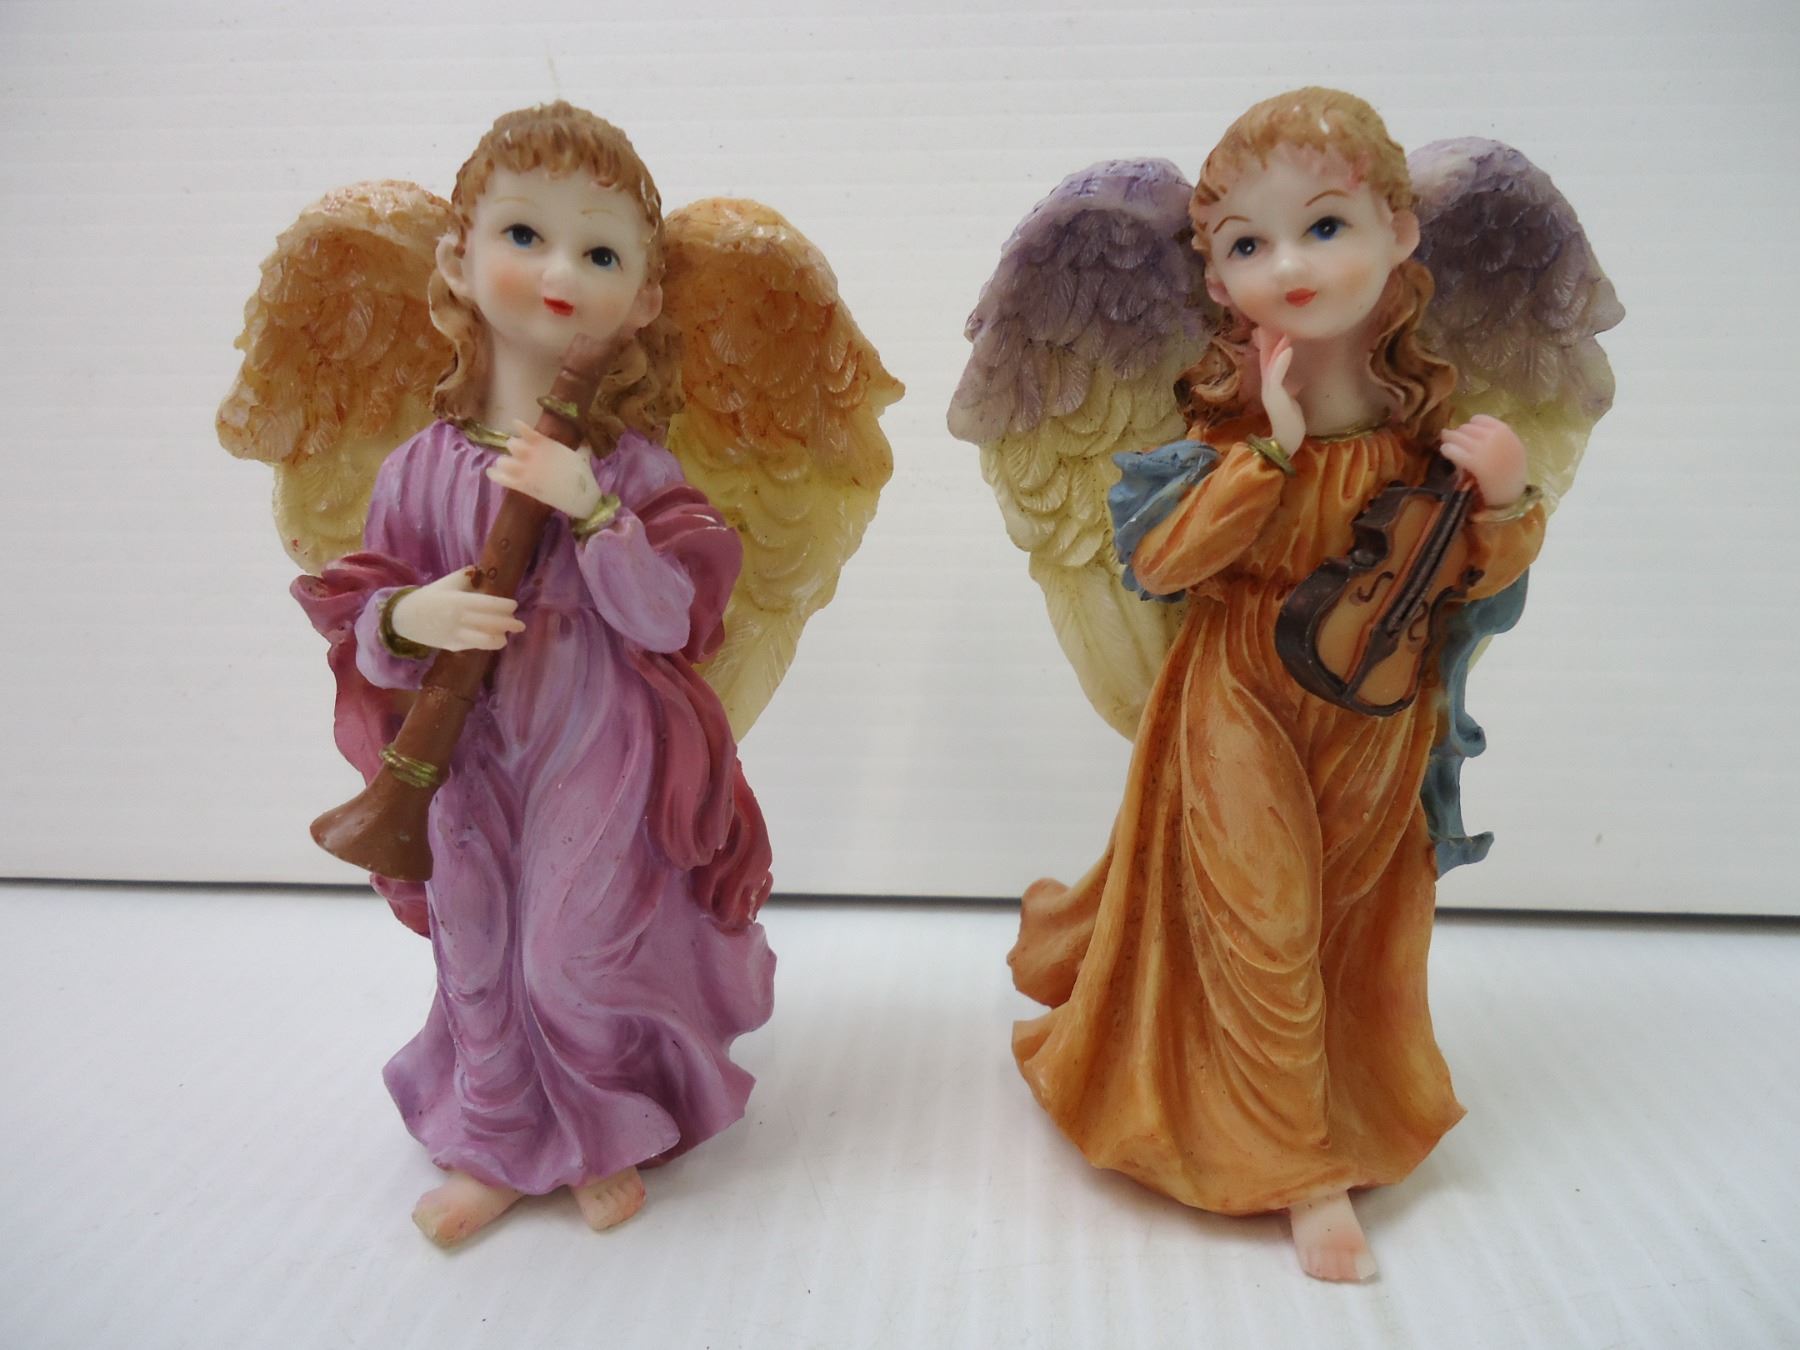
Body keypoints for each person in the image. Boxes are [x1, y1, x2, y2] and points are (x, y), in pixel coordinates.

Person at [1007, 88, 1545, 1282]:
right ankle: (1299, 1169)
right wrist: (1274, 450)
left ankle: (1324, 1108)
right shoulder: (1228, 435)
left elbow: (1471, 578)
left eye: (1325, 226)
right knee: (1266, 918)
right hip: (1238, 689)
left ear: (1401, 230)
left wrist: (1508, 501)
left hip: (1376, 710)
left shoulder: (1426, 438)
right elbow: (1160, 567)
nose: (1288, 266)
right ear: (1215, 276)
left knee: (1345, 930)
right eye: (1249, 244)